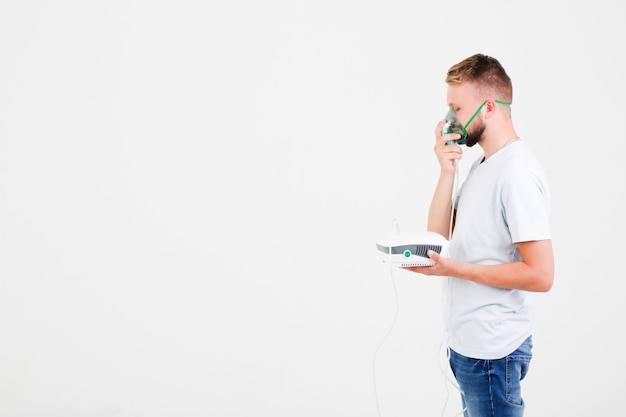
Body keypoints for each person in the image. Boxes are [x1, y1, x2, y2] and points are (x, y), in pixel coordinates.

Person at [405, 53, 554, 416]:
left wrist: (454, 269)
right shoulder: (483, 165)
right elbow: (438, 237)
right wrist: (446, 170)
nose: (448, 119)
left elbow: (541, 274)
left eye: (456, 107)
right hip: (470, 349)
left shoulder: (515, 173)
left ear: (489, 107)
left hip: (493, 353)